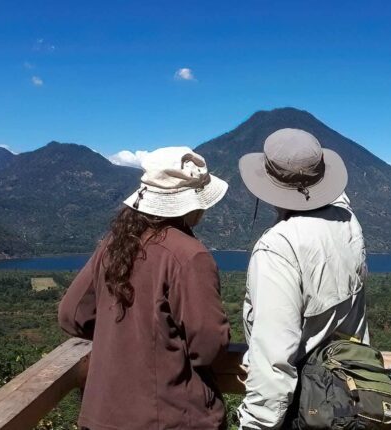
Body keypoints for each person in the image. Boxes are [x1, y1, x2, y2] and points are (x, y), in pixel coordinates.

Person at [58, 147, 230, 430]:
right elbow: (208, 347)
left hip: (103, 415)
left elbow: (71, 315)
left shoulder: (114, 244)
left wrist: (123, 341)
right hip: (173, 417)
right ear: (191, 202)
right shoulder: (189, 255)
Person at [237, 128, 369, 429]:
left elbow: (274, 360)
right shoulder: (349, 224)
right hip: (351, 400)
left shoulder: (279, 247)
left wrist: (255, 424)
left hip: (304, 412)